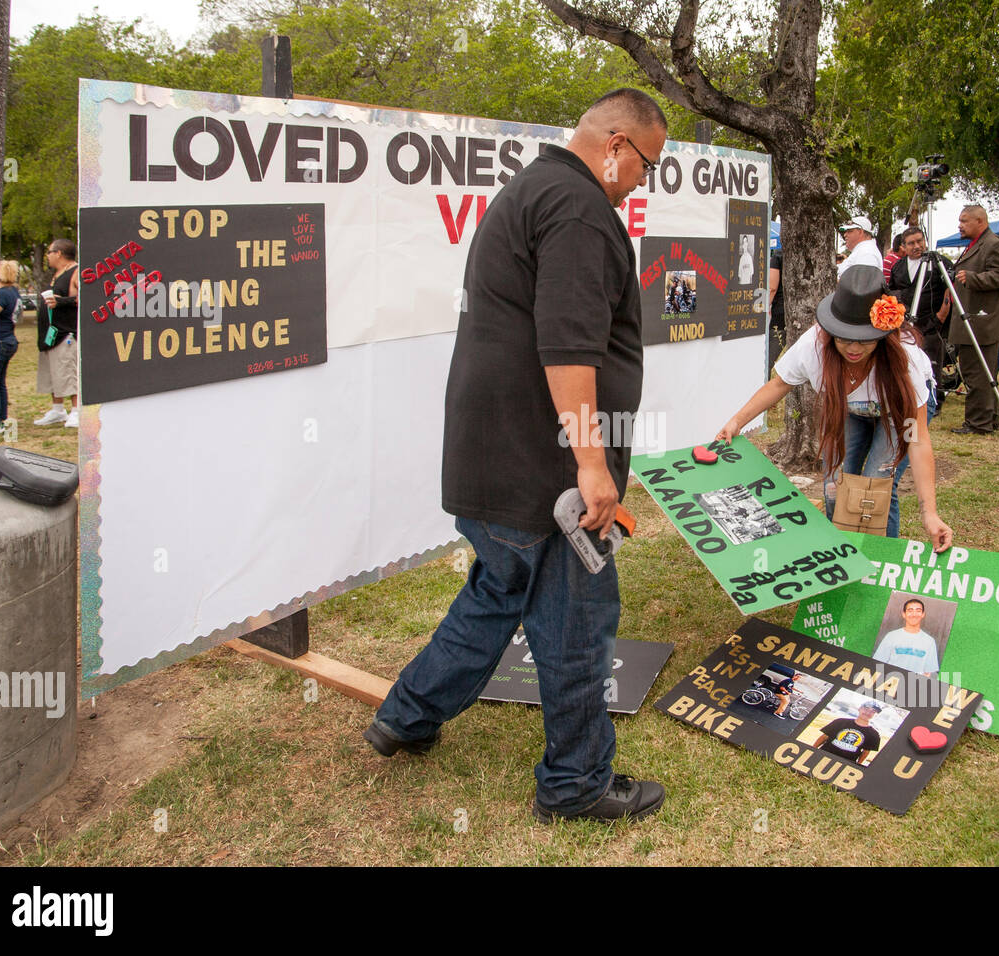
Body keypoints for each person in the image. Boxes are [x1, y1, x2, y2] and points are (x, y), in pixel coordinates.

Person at [364, 89, 669, 824]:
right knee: (577, 622)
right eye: (647, 165)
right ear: (617, 143)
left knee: (497, 591)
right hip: (547, 469)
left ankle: (405, 717)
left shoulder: (532, 189)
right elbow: (568, 346)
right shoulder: (578, 209)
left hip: (495, 458)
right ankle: (575, 784)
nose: (642, 182)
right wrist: (591, 465)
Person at [716, 265, 953, 549]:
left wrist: (930, 513)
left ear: (882, 334)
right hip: (850, 411)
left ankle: (880, 562)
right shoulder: (813, 347)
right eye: (842, 336)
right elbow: (779, 385)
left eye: (864, 339)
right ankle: (841, 555)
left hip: (896, 417)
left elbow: (917, 440)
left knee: (875, 486)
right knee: (834, 485)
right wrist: (737, 421)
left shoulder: (906, 361)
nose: (853, 348)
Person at [948, 204, 999, 433]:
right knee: (982, 373)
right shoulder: (974, 245)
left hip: (982, 322)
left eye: (964, 221)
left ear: (980, 221)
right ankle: (989, 419)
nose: (960, 225)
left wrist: (974, 278)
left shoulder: (993, 244)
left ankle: (978, 423)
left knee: (978, 374)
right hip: (973, 320)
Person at [888, 225, 953, 415]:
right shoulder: (898, 267)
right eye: (911, 243)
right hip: (907, 324)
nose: (916, 246)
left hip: (931, 321)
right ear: (903, 247)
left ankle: (935, 401)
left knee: (932, 361)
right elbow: (892, 290)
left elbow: (949, 288)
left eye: (919, 241)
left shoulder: (938, 262)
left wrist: (941, 315)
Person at [33, 239, 80, 428]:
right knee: (53, 373)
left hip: (65, 333)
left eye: (49, 252)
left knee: (67, 372)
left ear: (59, 253)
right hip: (50, 334)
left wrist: (62, 302)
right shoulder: (57, 274)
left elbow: (87, 297)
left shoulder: (76, 272)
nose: (48, 256)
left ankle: (76, 411)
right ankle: (57, 409)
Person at [873, 598, 940, 675]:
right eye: (910, 610)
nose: (914, 614)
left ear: (923, 614)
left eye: (918, 611)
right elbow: (877, 664)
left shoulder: (929, 641)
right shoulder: (891, 636)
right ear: (904, 614)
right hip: (890, 682)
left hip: (914, 684)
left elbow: (929, 672)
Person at [813, 700, 883, 765]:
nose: (868, 713)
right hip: (823, 755)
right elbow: (824, 737)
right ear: (859, 709)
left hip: (846, 763)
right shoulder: (840, 722)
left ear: (875, 714)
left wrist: (858, 765)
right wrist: (812, 749)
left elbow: (865, 752)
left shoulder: (874, 734)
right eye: (866, 709)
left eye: (873, 711)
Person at [0, 260, 21, 434]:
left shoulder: (1, 294)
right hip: (10, 339)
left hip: (1, 340)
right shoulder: (14, 292)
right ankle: (2, 418)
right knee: (0, 382)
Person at [767, 241, 785, 376]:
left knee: (770, 355)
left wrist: (766, 304)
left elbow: (772, 287)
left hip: (780, 311)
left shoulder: (778, 255)